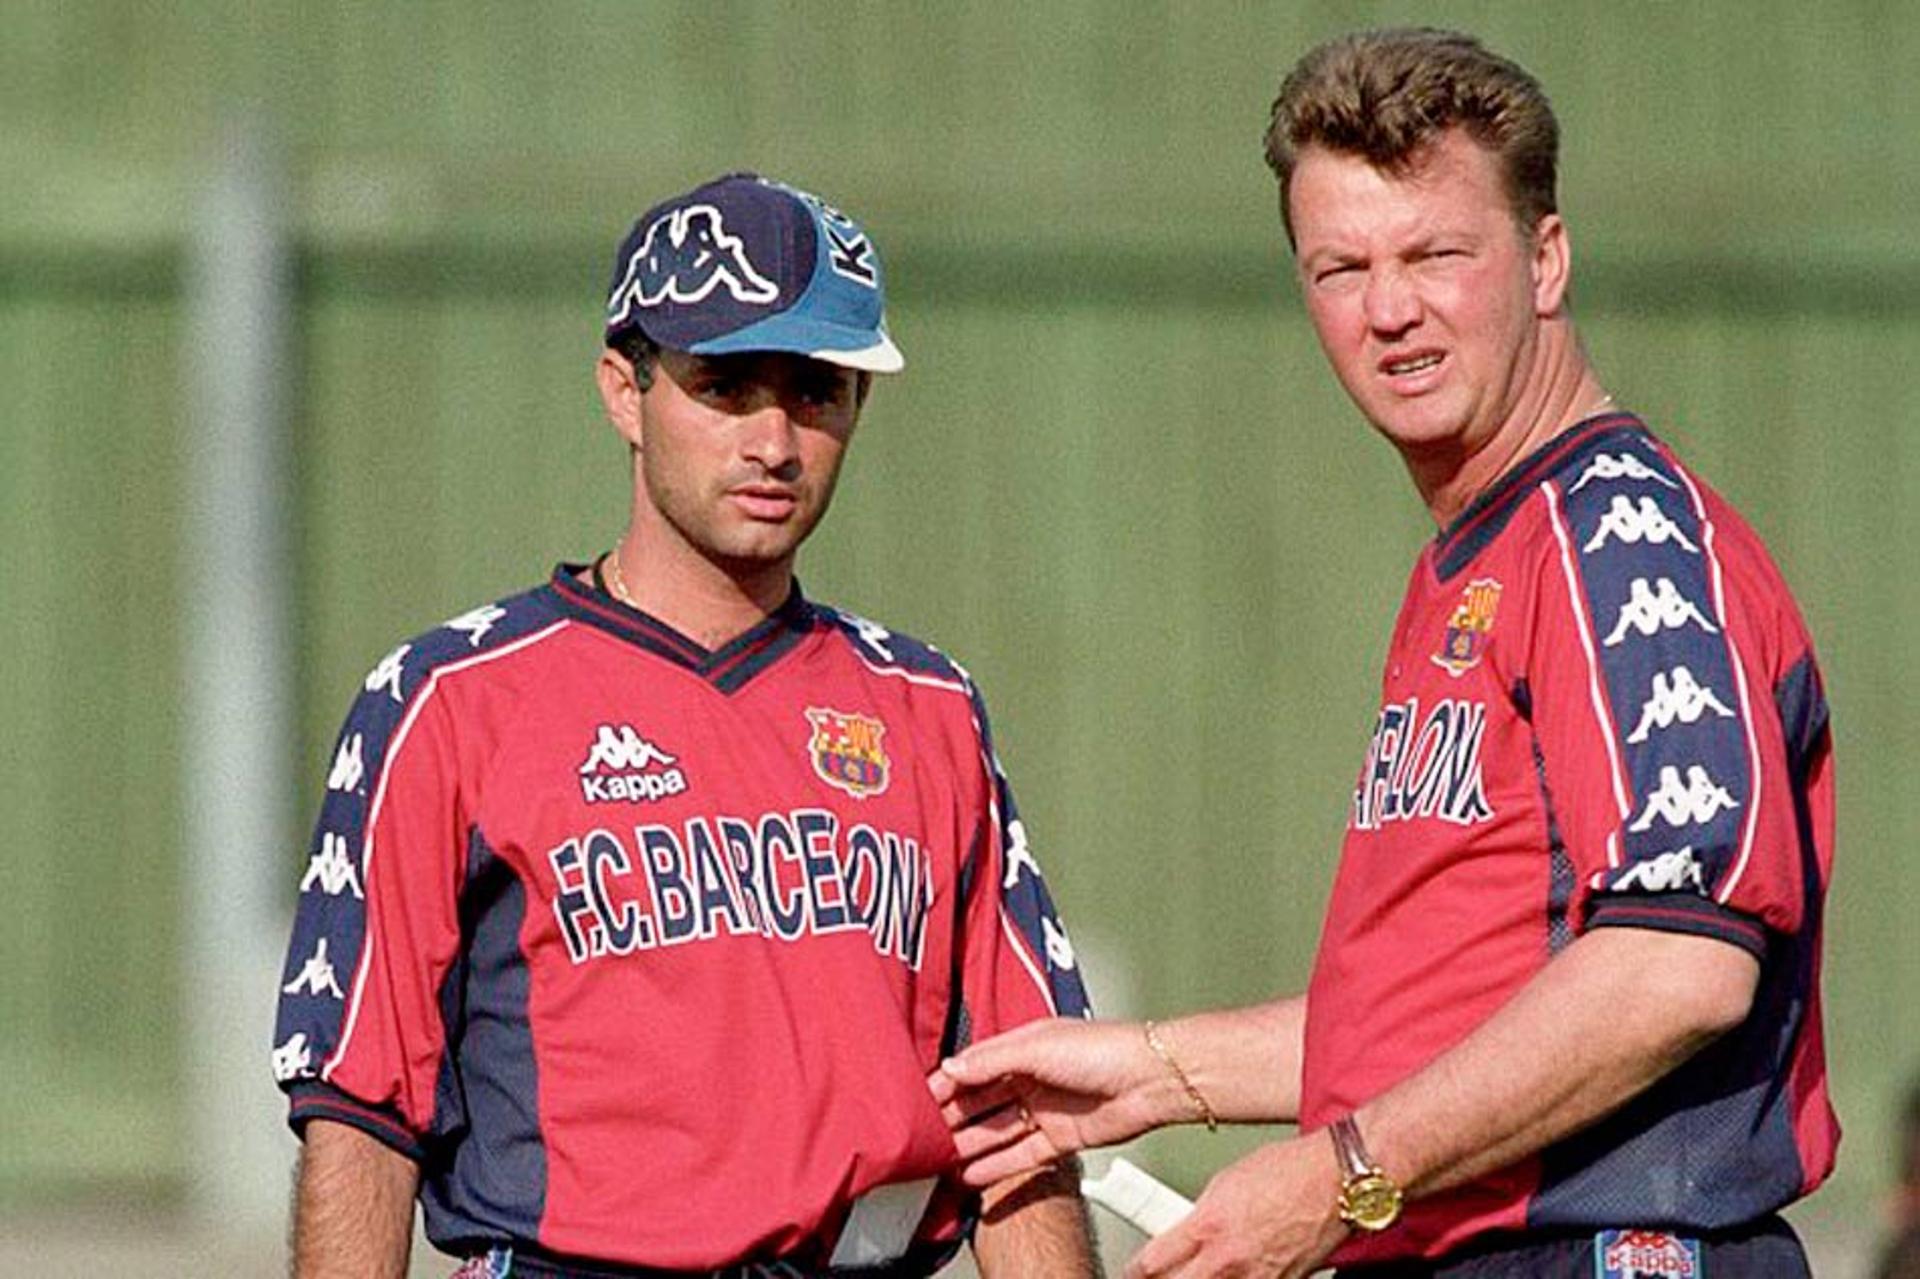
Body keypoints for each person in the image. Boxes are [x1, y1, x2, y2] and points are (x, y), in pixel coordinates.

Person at [932, 27, 1837, 1279]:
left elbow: (1673, 962)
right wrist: (1153, 1072)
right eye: (1340, 266)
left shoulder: (1615, 537)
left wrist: (1341, 1174)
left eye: (1436, 254)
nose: (1390, 307)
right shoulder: (1489, 547)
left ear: (1547, 256)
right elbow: (1459, 1009)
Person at [272, 173, 1098, 1279]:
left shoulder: (928, 708)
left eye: (817, 391)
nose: (775, 438)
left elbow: (1015, 1117)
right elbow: (363, 1109)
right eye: (725, 386)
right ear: (625, 390)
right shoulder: (450, 699)